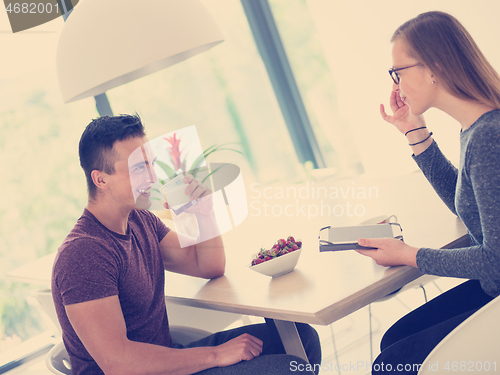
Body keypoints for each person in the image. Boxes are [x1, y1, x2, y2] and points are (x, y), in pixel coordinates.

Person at [51, 114, 321, 375]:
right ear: (100, 179)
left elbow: (208, 265)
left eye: (151, 164)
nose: (153, 178)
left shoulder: (141, 221)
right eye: (138, 169)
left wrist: (205, 213)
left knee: (301, 339)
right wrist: (216, 355)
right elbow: (119, 365)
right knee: (286, 368)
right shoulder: (83, 253)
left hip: (166, 357)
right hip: (138, 371)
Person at [355, 11, 500, 373]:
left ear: (433, 67)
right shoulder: (478, 129)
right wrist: (413, 131)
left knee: (391, 363)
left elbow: (495, 260)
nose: (396, 86)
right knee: (393, 342)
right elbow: (466, 206)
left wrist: (409, 254)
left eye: (397, 72)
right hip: (492, 287)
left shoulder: (488, 136)